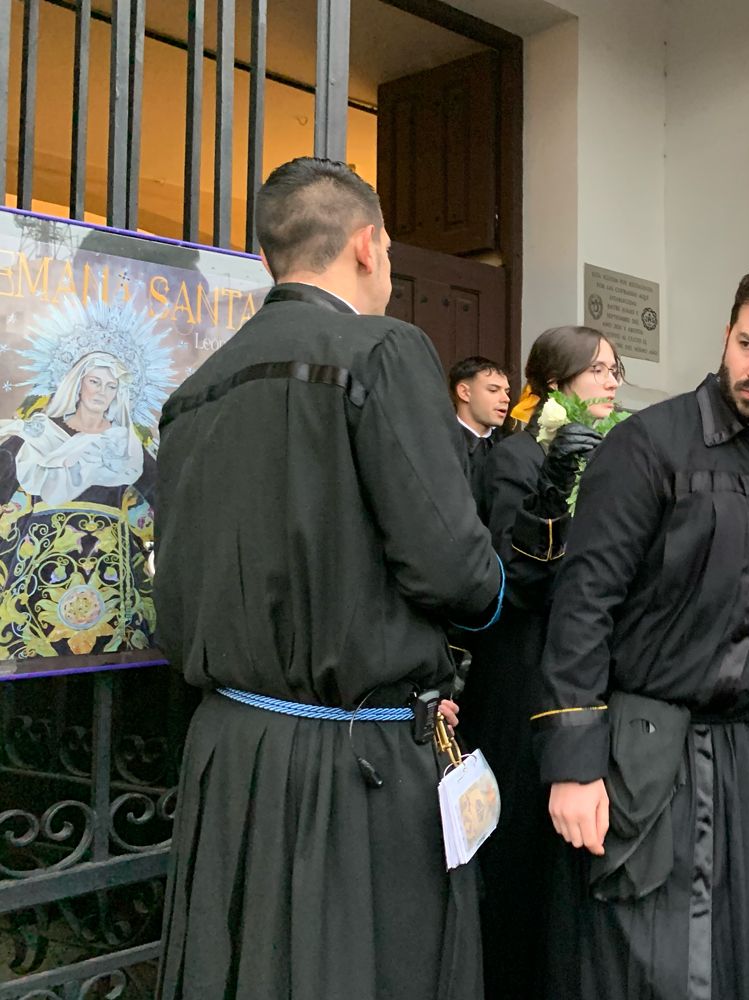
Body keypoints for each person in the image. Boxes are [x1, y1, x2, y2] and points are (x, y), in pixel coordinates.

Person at [153, 157, 502, 1000]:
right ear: (369, 244)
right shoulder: (383, 349)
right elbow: (454, 569)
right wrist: (491, 595)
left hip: (229, 749)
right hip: (354, 765)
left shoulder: (193, 392)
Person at [533, 266, 749, 1000]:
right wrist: (573, 762)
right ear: (727, 335)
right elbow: (582, 605)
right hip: (649, 751)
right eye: (746, 343)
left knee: (742, 956)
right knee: (657, 965)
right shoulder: (646, 447)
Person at [463, 325, 622, 1000]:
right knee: (527, 846)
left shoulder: (613, 452)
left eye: (617, 369)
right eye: (599, 370)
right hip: (527, 675)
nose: (614, 381)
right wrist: (554, 487)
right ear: (556, 383)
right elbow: (512, 578)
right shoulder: (517, 457)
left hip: (588, 669)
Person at [0, 339, 161, 663]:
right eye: (94, 382)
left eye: (110, 386)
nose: (101, 392)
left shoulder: (127, 447)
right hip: (40, 576)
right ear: (78, 384)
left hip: (111, 584)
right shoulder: (37, 437)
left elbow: (160, 502)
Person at [448, 355, 510, 519]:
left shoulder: (512, 447)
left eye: (506, 391)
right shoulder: (439, 444)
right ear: (464, 392)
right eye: (493, 390)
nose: (506, 398)